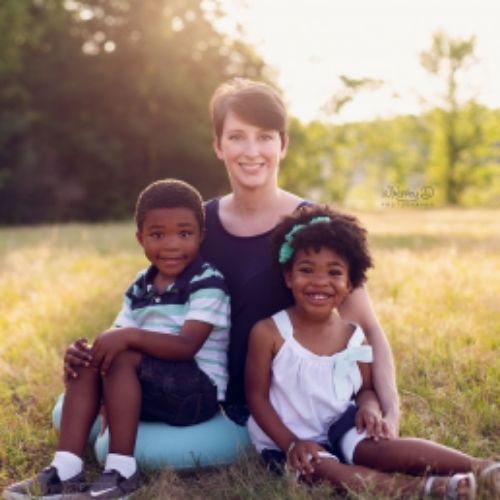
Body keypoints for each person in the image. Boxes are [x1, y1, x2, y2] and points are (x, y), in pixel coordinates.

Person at [63, 78, 399, 431]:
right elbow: (152, 307)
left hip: (277, 407)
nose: (251, 151)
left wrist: (390, 410)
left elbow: (367, 327)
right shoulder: (194, 226)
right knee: (74, 407)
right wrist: (96, 353)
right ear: (218, 146)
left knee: (130, 442)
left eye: (265, 136)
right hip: (195, 390)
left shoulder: (316, 227)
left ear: (283, 145)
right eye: (237, 136)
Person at [245, 204, 499, 499]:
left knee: (380, 449)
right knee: (322, 469)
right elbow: (257, 397)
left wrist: (369, 409)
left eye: (334, 272)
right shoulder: (269, 333)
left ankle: (482, 467)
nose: (319, 281)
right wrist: (290, 444)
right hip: (286, 437)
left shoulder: (354, 337)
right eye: (306, 270)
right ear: (288, 277)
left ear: (349, 284)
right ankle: (424, 489)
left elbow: (365, 389)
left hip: (340, 425)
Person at [3, 179, 231, 499]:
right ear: (140, 239)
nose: (171, 245)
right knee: (93, 357)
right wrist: (86, 353)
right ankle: (66, 469)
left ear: (201, 237)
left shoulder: (207, 282)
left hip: (196, 390)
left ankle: (123, 471)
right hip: (151, 387)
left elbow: (185, 346)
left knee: (122, 354)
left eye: (184, 233)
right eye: (157, 234)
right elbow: (114, 339)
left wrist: (127, 337)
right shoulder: (140, 284)